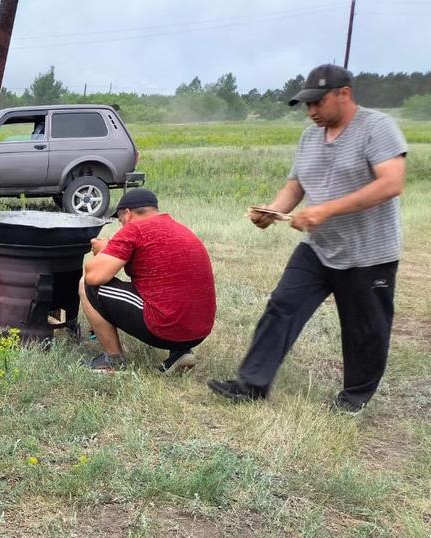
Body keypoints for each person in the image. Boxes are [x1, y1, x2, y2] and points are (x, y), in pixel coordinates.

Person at [208, 64, 407, 413]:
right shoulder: (309, 136)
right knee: (282, 306)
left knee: (365, 329)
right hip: (319, 248)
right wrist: (272, 210)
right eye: (307, 105)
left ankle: (353, 400)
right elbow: (296, 185)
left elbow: (391, 184)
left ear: (344, 94)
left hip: (369, 253)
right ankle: (251, 384)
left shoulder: (377, 128)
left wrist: (325, 210)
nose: (311, 111)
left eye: (318, 103)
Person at [80, 188, 216, 373]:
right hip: (199, 331)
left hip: (165, 328)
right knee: (170, 289)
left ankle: (113, 360)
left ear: (127, 214)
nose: (122, 226)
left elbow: (94, 276)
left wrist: (104, 250)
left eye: (120, 222)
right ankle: (180, 353)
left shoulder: (134, 229)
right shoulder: (180, 229)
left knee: (86, 285)